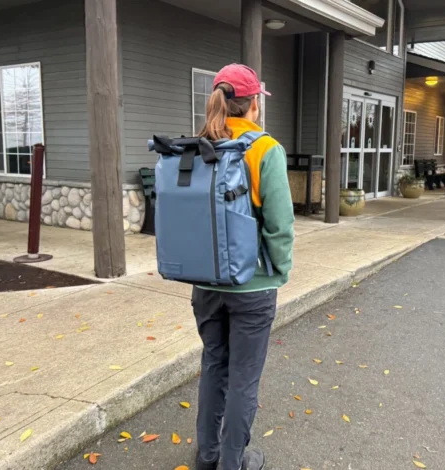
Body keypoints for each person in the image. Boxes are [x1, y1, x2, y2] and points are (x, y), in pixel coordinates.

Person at [192, 63, 295, 470]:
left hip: (205, 281)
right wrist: (279, 270)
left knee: (213, 365)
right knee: (244, 378)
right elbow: (279, 223)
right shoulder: (265, 149)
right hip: (252, 284)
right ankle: (233, 462)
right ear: (254, 104)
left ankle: (207, 455)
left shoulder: (197, 146)